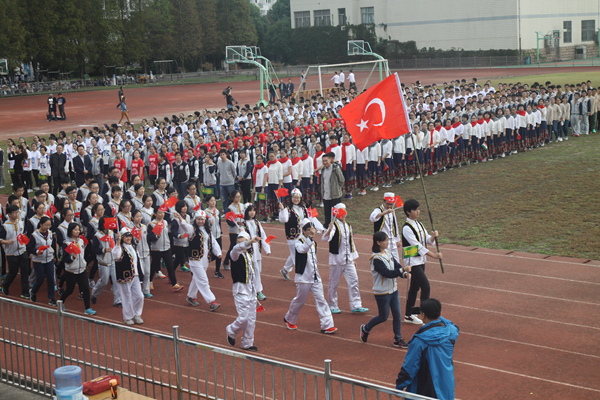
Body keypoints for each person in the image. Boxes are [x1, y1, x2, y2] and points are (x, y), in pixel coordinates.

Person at [396, 299, 459, 400]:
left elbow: (409, 367)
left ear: (423, 315)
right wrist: (437, 316)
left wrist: (399, 387)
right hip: (446, 386)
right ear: (440, 313)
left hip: (424, 390)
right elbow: (451, 324)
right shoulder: (452, 332)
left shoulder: (419, 341)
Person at [283, 220, 337, 334]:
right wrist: (310, 238)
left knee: (321, 299)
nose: (311, 231)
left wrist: (329, 229)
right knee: (300, 300)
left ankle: (327, 325)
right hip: (303, 277)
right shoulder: (298, 242)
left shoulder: (313, 242)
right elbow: (302, 249)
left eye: (312, 229)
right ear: (303, 231)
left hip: (315, 276)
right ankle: (289, 319)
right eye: (308, 230)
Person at [360, 231, 411, 348]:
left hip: (394, 290)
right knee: (383, 317)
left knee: (397, 315)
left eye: (388, 239)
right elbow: (387, 273)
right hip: (382, 292)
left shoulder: (388, 253)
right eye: (385, 240)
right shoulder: (376, 258)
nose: (388, 242)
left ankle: (397, 338)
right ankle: (366, 328)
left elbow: (396, 266)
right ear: (378, 242)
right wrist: (402, 270)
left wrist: (403, 274)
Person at [402, 199, 443, 325]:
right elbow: (418, 246)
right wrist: (434, 256)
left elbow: (427, 240)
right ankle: (426, 316)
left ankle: (409, 314)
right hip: (412, 262)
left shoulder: (419, 224)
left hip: (420, 260)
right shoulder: (406, 228)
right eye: (415, 210)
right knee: (425, 286)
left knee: (414, 288)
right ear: (408, 212)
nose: (418, 212)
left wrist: (433, 236)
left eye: (418, 209)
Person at [321, 203, 367, 314]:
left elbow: (351, 242)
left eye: (344, 211)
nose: (343, 214)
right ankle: (332, 305)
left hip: (348, 260)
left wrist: (353, 257)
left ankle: (356, 305)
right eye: (341, 211)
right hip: (337, 260)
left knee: (354, 280)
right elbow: (326, 238)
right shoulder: (334, 226)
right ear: (336, 213)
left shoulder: (348, 226)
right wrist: (329, 230)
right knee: (334, 283)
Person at [226, 231, 261, 352]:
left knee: (251, 319)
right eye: (240, 242)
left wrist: (257, 290)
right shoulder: (234, 253)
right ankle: (231, 330)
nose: (243, 244)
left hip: (251, 291)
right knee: (244, 318)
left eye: (245, 241)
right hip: (241, 290)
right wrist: (249, 241)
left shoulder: (249, 256)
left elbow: (254, 274)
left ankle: (247, 342)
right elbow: (237, 248)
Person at [180, 210, 222, 311]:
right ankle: (212, 302)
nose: (200, 221)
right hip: (194, 260)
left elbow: (213, 242)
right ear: (195, 220)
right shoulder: (192, 229)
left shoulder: (207, 230)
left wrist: (218, 252)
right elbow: (185, 226)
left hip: (204, 259)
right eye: (198, 219)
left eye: (202, 219)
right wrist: (180, 218)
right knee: (203, 280)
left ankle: (191, 296)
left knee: (196, 278)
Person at [278, 188, 323, 281]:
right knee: (297, 255)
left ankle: (285, 270)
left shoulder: (303, 208)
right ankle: (301, 276)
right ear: (291, 198)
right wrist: (282, 210)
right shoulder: (287, 209)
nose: (296, 199)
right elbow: (283, 220)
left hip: (303, 235)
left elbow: (309, 219)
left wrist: (320, 228)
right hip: (292, 236)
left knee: (295, 253)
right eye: (294, 197)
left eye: (298, 198)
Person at [60, 222, 96, 314]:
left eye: (78, 229)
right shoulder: (67, 243)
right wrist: (72, 257)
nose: (77, 231)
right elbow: (64, 258)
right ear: (70, 231)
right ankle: (61, 302)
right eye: (75, 230)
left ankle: (87, 308)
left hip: (82, 269)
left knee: (86, 289)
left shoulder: (81, 241)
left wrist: (84, 263)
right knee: (69, 290)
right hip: (71, 270)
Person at [112, 228, 145, 325]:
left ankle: (136, 313)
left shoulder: (133, 247)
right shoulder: (120, 248)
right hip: (124, 276)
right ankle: (128, 317)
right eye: (126, 236)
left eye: (129, 235)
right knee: (126, 297)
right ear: (122, 237)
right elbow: (116, 255)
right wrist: (117, 241)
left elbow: (137, 261)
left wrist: (141, 273)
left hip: (135, 275)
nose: (128, 238)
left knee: (140, 296)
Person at [240, 205, 270, 300]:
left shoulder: (257, 222)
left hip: (257, 251)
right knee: (254, 271)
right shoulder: (243, 224)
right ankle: (258, 291)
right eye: (250, 211)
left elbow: (263, 235)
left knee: (258, 270)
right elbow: (241, 238)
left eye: (254, 210)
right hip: (249, 251)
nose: (252, 213)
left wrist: (267, 248)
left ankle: (251, 288)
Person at [0, 205, 30, 299]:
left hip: (22, 250)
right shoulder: (5, 226)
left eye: (17, 212)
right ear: (9, 214)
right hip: (11, 253)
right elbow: (0, 239)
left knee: (25, 272)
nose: (16, 214)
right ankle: (5, 284)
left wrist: (25, 241)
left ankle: (25, 292)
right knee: (13, 272)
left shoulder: (21, 223)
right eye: (14, 212)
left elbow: (23, 233)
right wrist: (7, 242)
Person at [90, 216, 122, 307]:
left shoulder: (111, 233)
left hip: (112, 261)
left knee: (116, 281)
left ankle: (117, 300)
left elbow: (115, 244)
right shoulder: (97, 235)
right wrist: (104, 250)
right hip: (103, 262)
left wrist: (119, 239)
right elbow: (94, 249)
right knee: (104, 281)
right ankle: (94, 294)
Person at [370, 193, 402, 262]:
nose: (389, 206)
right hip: (383, 242)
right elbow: (372, 218)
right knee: (385, 262)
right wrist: (385, 213)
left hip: (392, 241)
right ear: (383, 201)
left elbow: (395, 225)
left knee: (396, 262)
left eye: (391, 204)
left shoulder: (392, 211)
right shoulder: (378, 210)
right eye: (387, 204)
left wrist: (397, 239)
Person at [320, 152, 344, 226]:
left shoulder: (335, 168)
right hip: (326, 195)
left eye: (326, 160)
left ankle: (337, 226)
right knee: (327, 212)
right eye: (323, 161)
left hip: (335, 195)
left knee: (336, 213)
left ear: (330, 160)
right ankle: (327, 225)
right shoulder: (323, 169)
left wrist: (336, 189)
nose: (325, 162)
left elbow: (341, 180)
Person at [217, 150, 237, 214]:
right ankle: (226, 212)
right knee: (224, 199)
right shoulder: (219, 163)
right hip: (222, 183)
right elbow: (219, 171)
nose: (222, 156)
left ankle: (234, 211)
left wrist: (233, 179)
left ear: (226, 155)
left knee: (233, 198)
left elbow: (234, 172)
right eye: (221, 155)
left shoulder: (230, 163)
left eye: (223, 154)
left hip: (230, 183)